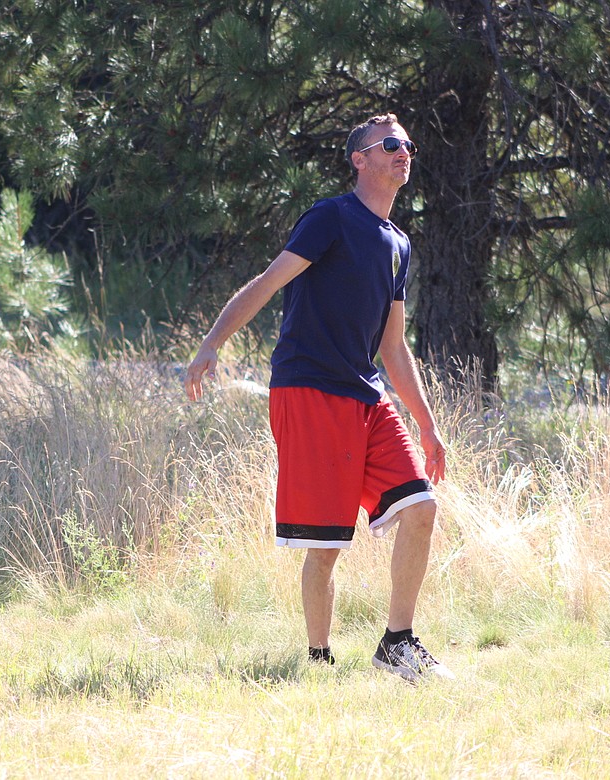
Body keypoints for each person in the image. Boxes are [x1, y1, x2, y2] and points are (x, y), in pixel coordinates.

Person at [183, 113, 453, 682]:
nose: (405, 152)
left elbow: (394, 347)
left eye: (408, 144)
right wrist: (213, 342)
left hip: (367, 394)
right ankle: (318, 660)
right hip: (309, 388)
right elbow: (267, 282)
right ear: (361, 159)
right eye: (391, 145)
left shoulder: (399, 244)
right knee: (326, 542)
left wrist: (427, 424)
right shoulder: (330, 218)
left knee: (422, 507)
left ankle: (398, 644)